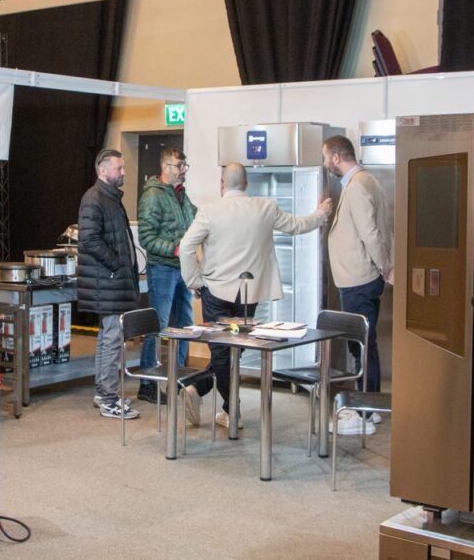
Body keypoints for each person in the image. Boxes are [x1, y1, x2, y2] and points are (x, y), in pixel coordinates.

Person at [179, 162, 332, 428]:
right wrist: (321, 213)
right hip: (249, 293)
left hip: (215, 290)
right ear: (247, 184)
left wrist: (195, 281)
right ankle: (223, 405)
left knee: (222, 351)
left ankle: (213, 398)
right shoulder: (265, 207)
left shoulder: (209, 211)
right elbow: (298, 226)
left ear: (222, 184)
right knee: (235, 349)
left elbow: (186, 246)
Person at [322, 134, 393, 436]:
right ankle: (370, 407)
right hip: (361, 277)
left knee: (361, 345)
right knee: (365, 344)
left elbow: (371, 233)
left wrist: (386, 267)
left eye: (326, 157)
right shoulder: (366, 181)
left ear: (337, 157)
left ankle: (364, 412)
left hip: (359, 279)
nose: (325, 163)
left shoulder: (358, 186)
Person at [77, 149, 141, 419]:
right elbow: (89, 239)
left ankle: (103, 392)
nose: (123, 172)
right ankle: (108, 398)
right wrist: (116, 264)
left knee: (108, 338)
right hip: (108, 281)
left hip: (112, 280)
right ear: (103, 170)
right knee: (112, 339)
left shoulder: (110, 197)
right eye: (119, 168)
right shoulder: (95, 198)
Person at [135, 148, 195, 404]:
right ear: (165, 167)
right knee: (157, 326)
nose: (183, 170)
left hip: (183, 269)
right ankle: (147, 384)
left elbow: (195, 222)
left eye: (185, 165)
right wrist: (175, 249)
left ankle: (176, 379)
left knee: (185, 326)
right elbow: (146, 238)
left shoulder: (181, 195)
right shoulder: (153, 196)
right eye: (179, 166)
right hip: (162, 269)